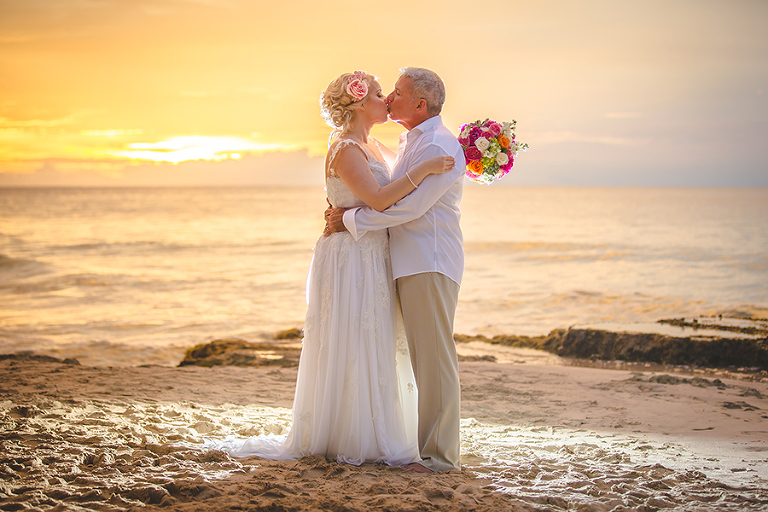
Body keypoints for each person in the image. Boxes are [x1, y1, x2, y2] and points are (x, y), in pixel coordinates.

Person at [210, 70, 454, 467]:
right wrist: (425, 169)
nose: (387, 99)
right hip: (349, 255)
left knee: (374, 338)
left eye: (389, 93)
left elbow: (397, 197)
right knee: (351, 335)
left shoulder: (375, 146)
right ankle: (347, 433)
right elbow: (378, 199)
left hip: (374, 252)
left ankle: (378, 429)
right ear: (359, 104)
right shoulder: (344, 149)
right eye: (379, 94)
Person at [324, 67, 466, 472]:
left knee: (434, 357)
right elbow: (383, 190)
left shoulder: (439, 143)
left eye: (397, 92)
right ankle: (420, 445)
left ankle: (439, 457)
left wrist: (350, 220)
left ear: (420, 104)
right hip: (403, 261)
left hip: (428, 259)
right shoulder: (409, 141)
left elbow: (410, 207)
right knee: (415, 355)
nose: (389, 99)